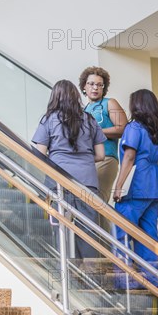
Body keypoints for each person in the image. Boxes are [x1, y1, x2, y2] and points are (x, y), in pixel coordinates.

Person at [32, 80, 107, 259]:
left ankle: (67, 273)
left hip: (59, 181)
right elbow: (101, 155)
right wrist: (84, 158)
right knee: (88, 232)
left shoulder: (49, 119)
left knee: (61, 227)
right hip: (87, 182)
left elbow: (39, 154)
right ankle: (91, 275)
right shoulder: (89, 119)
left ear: (55, 97)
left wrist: (58, 156)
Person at [112, 89, 158, 287]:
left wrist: (118, 186)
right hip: (154, 186)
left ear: (135, 106)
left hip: (136, 185)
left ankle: (123, 281)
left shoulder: (134, 128)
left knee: (121, 232)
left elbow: (129, 157)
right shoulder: (154, 130)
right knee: (149, 235)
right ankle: (151, 279)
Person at [79, 67, 128, 218]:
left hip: (106, 158)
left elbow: (123, 128)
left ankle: (102, 241)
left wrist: (95, 131)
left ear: (104, 88)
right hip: (88, 160)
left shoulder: (109, 103)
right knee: (88, 205)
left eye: (99, 85)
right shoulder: (83, 110)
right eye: (91, 83)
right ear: (84, 87)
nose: (95, 87)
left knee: (97, 203)